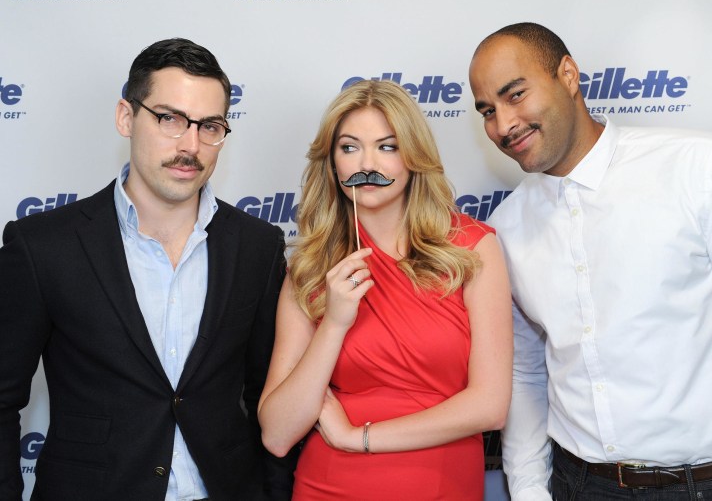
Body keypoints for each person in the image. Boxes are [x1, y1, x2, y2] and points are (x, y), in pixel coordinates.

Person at [469, 22, 712, 501]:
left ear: (568, 75)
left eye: (515, 94)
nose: (503, 125)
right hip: (576, 485)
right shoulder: (506, 227)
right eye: (487, 111)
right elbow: (525, 371)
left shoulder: (704, 169)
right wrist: (528, 489)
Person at [0, 38, 297, 500]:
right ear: (126, 117)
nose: (191, 145)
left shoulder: (257, 247)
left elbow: (269, 395)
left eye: (210, 126)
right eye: (170, 119)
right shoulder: (42, 246)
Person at [257, 79, 513, 500]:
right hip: (328, 486)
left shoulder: (470, 248)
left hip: (438, 484)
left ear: (413, 156)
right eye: (350, 147)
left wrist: (357, 438)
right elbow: (279, 434)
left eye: (388, 146)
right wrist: (335, 323)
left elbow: (490, 406)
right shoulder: (312, 268)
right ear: (333, 162)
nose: (367, 163)